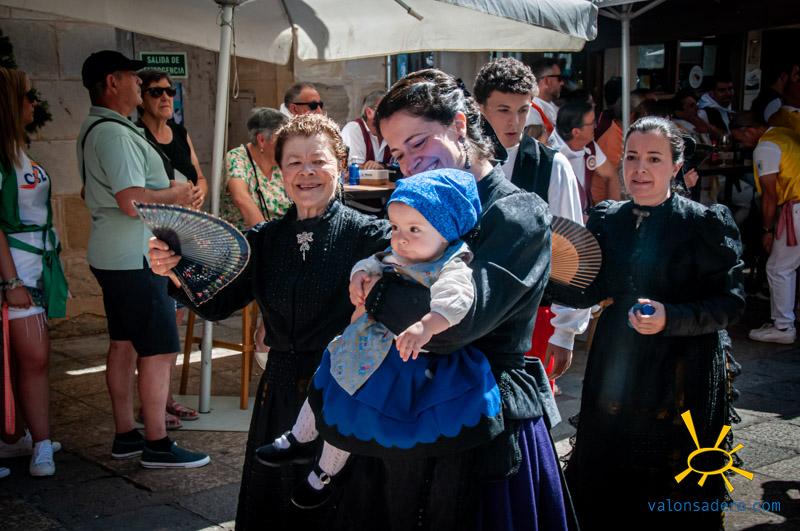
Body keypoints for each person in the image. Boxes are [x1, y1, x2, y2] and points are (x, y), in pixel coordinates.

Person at [331, 68, 570, 530]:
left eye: (418, 142)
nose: (409, 163)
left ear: (460, 125)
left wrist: (377, 293)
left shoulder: (517, 214)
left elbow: (455, 328)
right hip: (406, 411)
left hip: (484, 420)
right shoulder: (414, 204)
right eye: (398, 153)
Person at [148, 113, 391, 529]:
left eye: (318, 160)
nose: (306, 172)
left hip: (345, 393)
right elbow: (217, 305)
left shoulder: (371, 235)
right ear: (280, 172)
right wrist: (171, 269)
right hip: (278, 395)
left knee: (340, 509)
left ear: (340, 162)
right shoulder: (264, 239)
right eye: (294, 162)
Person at [258, 169, 502, 511]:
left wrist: (426, 326)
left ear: (446, 229)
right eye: (396, 227)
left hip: (397, 361)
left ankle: (324, 474)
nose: (401, 238)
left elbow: (456, 302)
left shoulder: (452, 266)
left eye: (414, 229)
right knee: (326, 382)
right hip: (363, 347)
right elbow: (372, 261)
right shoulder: (399, 252)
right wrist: (360, 274)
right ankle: (299, 436)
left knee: (350, 412)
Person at [551, 116, 745, 529]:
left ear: (676, 166)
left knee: (672, 474)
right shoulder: (608, 218)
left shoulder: (703, 223)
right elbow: (591, 289)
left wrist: (671, 317)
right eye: (632, 157)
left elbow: (730, 303)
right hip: (617, 361)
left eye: (654, 159)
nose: (640, 169)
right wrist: (547, 275)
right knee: (609, 469)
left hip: (682, 367)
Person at [77, 50, 208, 468]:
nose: (139, 83)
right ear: (112, 82)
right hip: (138, 257)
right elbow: (132, 201)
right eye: (133, 77)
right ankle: (156, 443)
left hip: (118, 253)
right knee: (158, 349)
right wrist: (177, 193)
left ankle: (126, 435)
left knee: (124, 344)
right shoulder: (115, 134)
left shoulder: (104, 127)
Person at [473, 57, 589, 394]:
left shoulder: (553, 166)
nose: (514, 122)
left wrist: (565, 332)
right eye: (503, 110)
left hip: (533, 315)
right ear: (480, 108)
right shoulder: (461, 163)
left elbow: (570, 251)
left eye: (523, 110)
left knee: (529, 407)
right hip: (470, 312)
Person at [0, 67, 68, 477]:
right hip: (15, 275)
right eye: (27, 96)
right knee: (32, 357)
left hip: (33, 271)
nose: (34, 103)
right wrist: (11, 281)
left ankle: (24, 439)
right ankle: (35, 443)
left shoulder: (16, 150)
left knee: (29, 359)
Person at [136, 68, 208, 427]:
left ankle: (165, 399)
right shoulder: (137, 137)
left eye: (169, 91)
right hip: (153, 238)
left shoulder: (179, 132)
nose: (165, 97)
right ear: (141, 98)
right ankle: (153, 404)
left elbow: (198, 175)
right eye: (155, 92)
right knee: (157, 326)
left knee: (175, 318)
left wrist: (199, 192)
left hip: (185, 234)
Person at [746, 112, 800, 344]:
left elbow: (769, 194)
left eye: (739, 137)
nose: (742, 143)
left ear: (748, 130)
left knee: (779, 268)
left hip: (797, 207)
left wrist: (767, 230)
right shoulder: (785, 134)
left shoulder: (766, 147)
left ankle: (783, 326)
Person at [219, 107, 290, 231]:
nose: (287, 146)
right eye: (282, 140)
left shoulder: (283, 163)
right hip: (248, 237)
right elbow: (241, 199)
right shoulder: (237, 158)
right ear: (261, 140)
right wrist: (266, 237)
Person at [549, 98, 620, 216]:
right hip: (559, 221)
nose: (596, 126)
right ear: (576, 132)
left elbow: (611, 176)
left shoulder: (589, 146)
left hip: (585, 218)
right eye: (592, 123)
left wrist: (613, 214)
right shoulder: (549, 154)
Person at [341, 90, 392, 169]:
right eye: (385, 110)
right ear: (369, 112)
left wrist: (382, 166)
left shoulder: (391, 131)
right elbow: (355, 168)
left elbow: (400, 164)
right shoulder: (354, 129)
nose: (390, 115)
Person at [525, 58, 564, 143]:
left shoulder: (555, 108)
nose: (562, 83)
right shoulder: (530, 113)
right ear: (547, 81)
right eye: (559, 78)